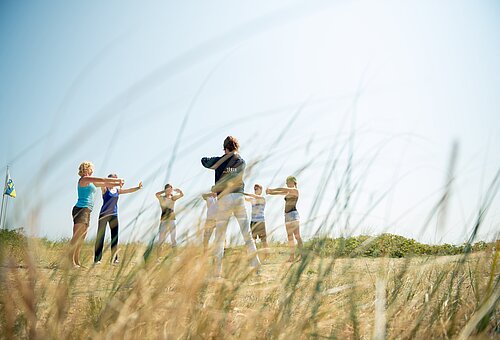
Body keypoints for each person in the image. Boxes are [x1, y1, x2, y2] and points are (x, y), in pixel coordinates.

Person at [201, 135, 261, 277]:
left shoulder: (219, 161)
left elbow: (203, 161)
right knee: (247, 235)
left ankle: (216, 273)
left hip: (225, 199)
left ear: (225, 148)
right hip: (239, 197)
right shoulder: (241, 161)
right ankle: (257, 268)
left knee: (219, 237)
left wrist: (216, 185)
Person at [70, 161, 124, 268]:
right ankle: (69, 262)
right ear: (87, 169)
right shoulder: (85, 179)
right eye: (91, 168)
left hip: (87, 211)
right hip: (81, 209)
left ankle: (76, 261)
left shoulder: (91, 182)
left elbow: (105, 183)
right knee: (76, 237)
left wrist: (117, 184)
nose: (92, 170)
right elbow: (103, 180)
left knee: (81, 238)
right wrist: (118, 180)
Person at [94, 174, 143, 265]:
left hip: (114, 215)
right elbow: (99, 183)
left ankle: (114, 259)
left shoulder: (117, 190)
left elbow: (128, 190)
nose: (114, 181)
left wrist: (138, 187)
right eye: (112, 179)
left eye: (115, 179)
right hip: (104, 215)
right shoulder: (104, 188)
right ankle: (97, 259)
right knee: (100, 237)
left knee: (115, 238)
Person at [266, 176, 302, 262]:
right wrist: (270, 193)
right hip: (287, 216)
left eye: (288, 182)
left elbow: (282, 189)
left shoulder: (295, 190)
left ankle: (302, 255)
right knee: (290, 237)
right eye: (286, 182)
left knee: (297, 236)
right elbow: (281, 192)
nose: (287, 184)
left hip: (293, 215)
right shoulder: (288, 191)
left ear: (294, 182)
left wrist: (272, 189)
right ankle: (292, 257)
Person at [156, 184, 184, 254]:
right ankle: (159, 255)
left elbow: (181, 195)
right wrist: (165, 191)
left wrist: (180, 191)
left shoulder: (173, 198)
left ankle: (175, 254)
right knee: (161, 238)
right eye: (168, 189)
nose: (169, 190)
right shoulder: (162, 198)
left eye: (170, 189)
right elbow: (156, 194)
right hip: (164, 219)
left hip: (172, 219)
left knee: (173, 237)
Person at [244, 184, 269, 259]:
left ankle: (266, 256)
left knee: (263, 240)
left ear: (261, 190)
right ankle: (253, 256)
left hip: (260, 221)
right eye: (254, 189)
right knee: (253, 240)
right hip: (253, 222)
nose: (255, 190)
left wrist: (243, 193)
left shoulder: (262, 198)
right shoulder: (252, 199)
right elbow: (245, 199)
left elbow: (252, 196)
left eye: (257, 189)